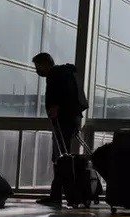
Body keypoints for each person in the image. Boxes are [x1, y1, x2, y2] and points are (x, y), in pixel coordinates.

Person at [32, 52, 89, 208]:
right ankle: (60, 194)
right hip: (72, 120)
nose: (37, 70)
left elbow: (57, 99)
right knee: (61, 159)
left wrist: (55, 110)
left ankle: (58, 195)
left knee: (60, 159)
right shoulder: (65, 74)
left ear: (45, 64)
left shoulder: (55, 76)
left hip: (63, 121)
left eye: (38, 67)